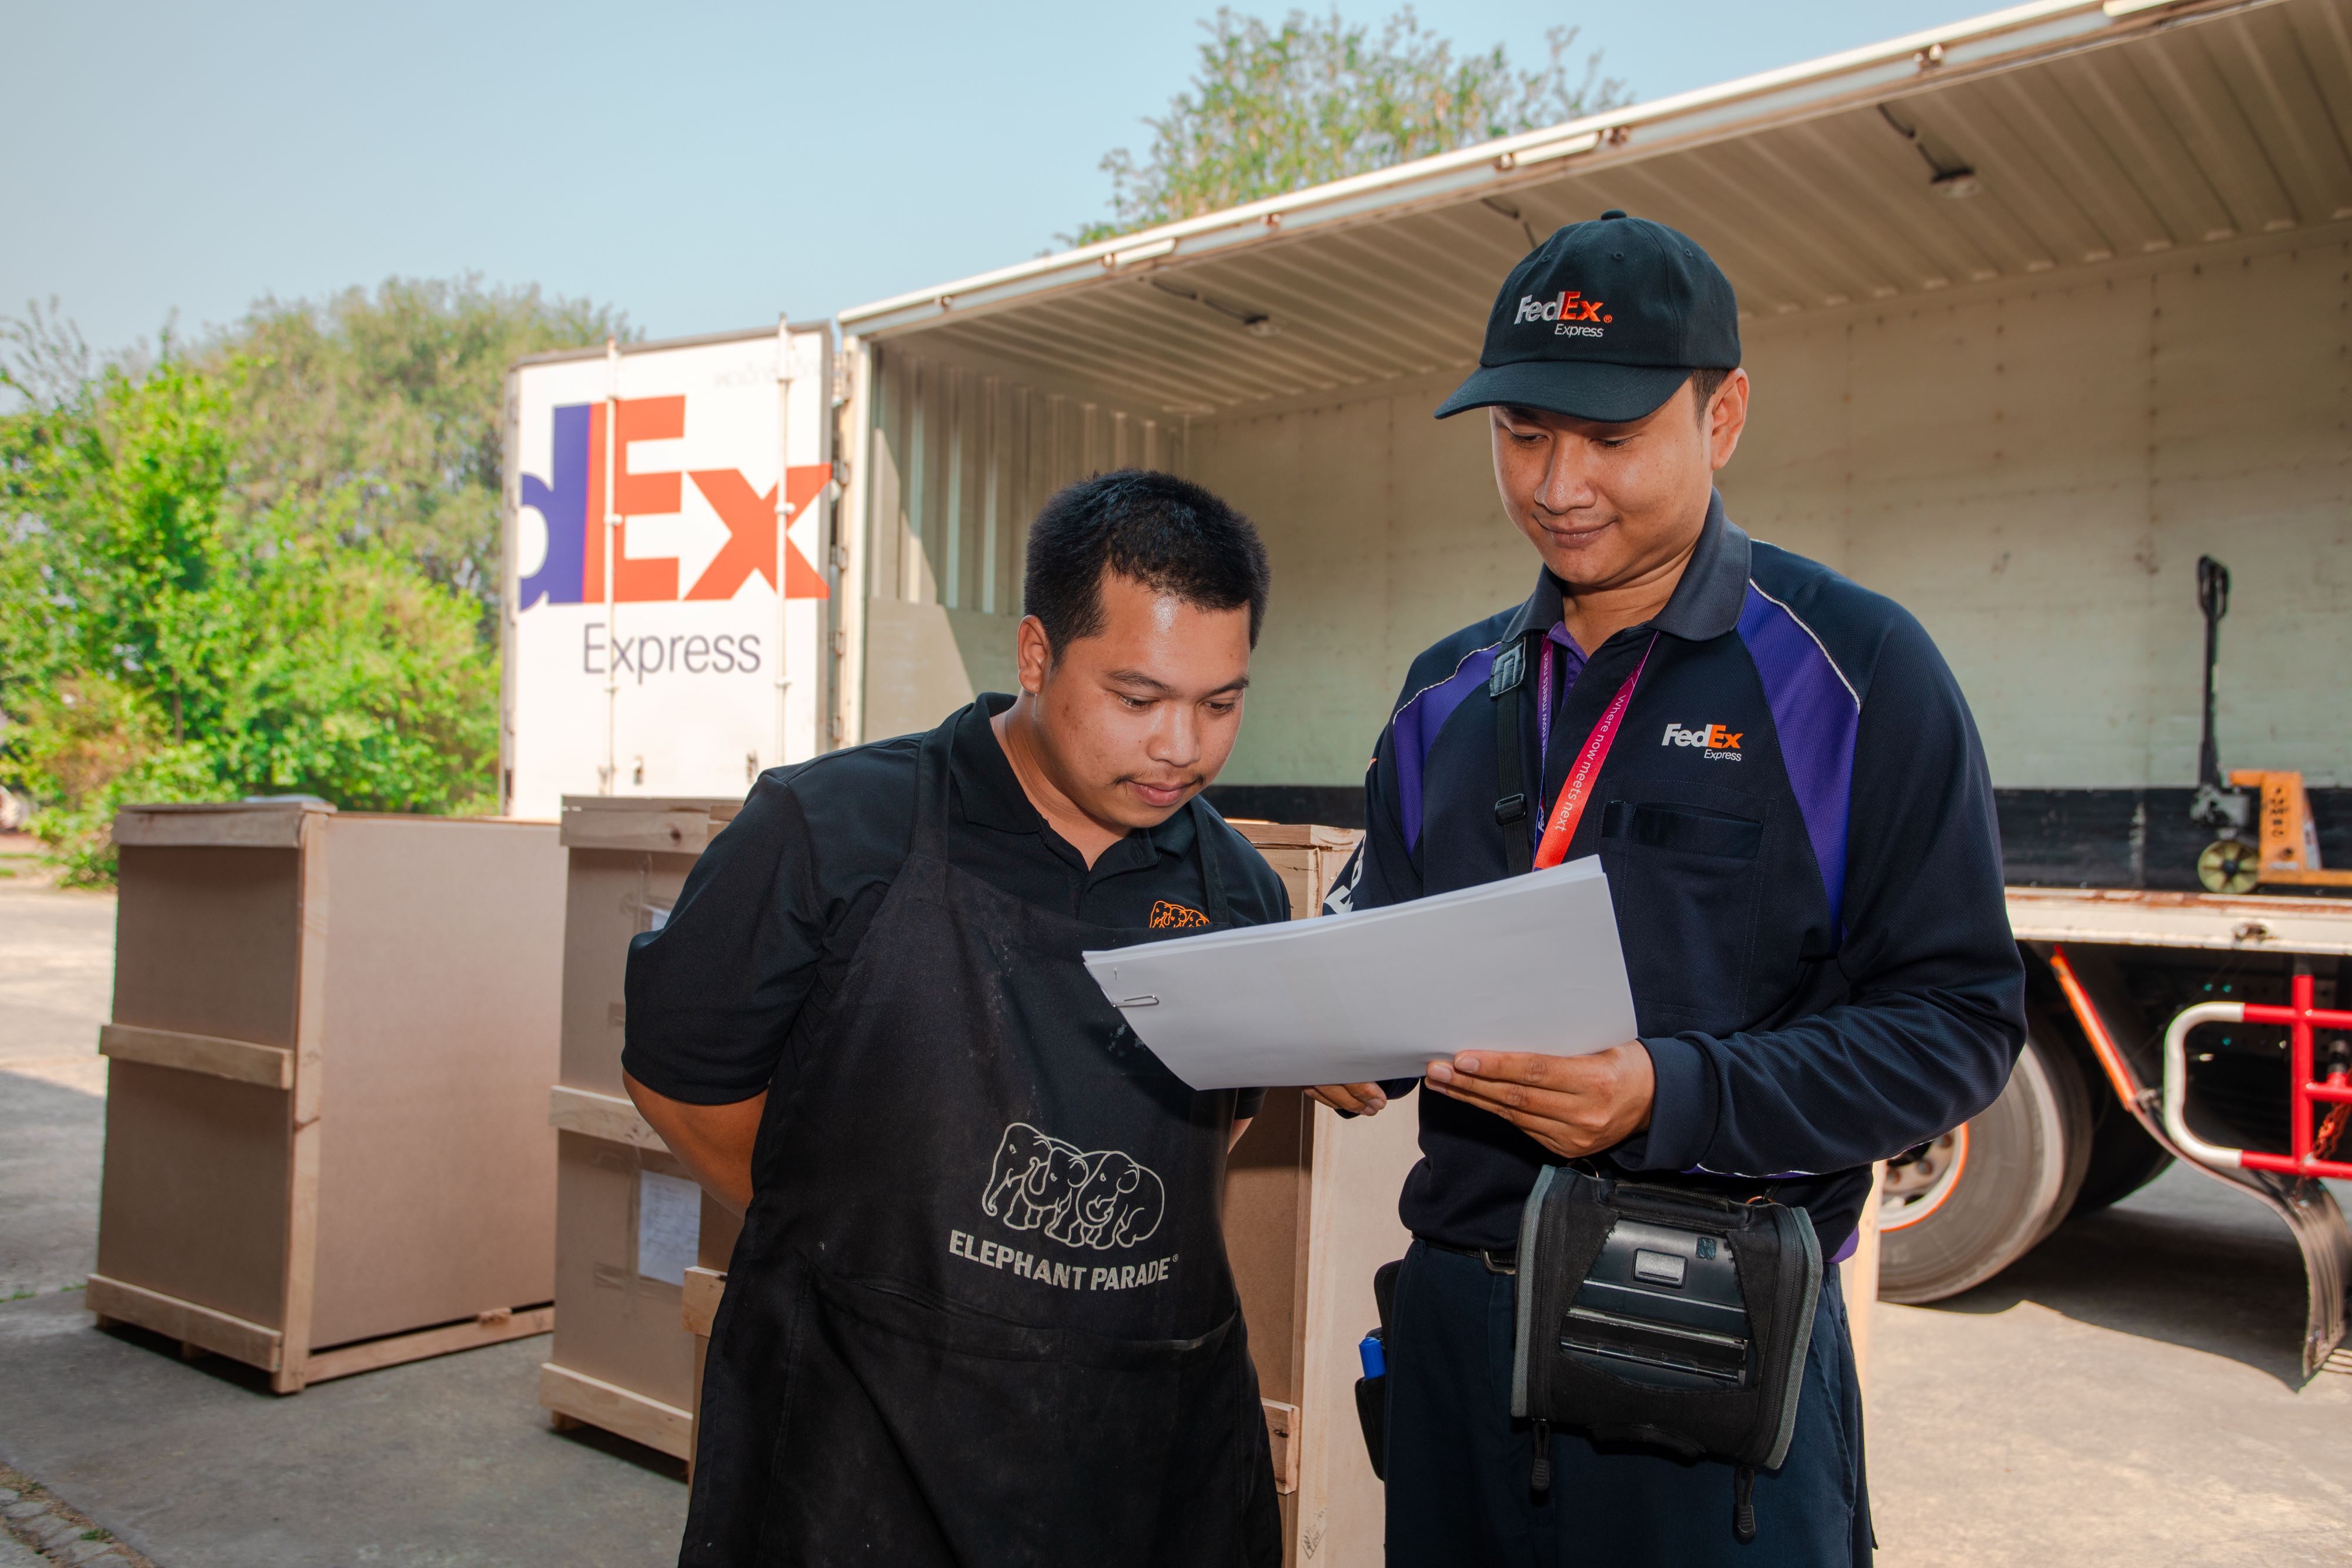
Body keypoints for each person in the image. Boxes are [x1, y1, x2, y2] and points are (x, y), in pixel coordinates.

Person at [1310, 213, 2026, 1564]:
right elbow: (1381, 933)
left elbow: (1958, 1023)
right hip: (1461, 1343)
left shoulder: (1856, 672)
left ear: (1724, 415)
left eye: (1611, 436)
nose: (1559, 482)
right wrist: (1336, 1032)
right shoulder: (1444, 693)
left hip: (1708, 1338)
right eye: (1521, 433)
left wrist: (1669, 1094)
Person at [623, 470, 1288, 1568]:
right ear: (1035, 656)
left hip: (1142, 1449)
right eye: (1138, 698)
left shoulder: (1239, 895)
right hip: (859, 1441)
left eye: (1220, 704)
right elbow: (683, 1084)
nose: (1184, 747)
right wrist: (875, 1255)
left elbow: (1223, 1141)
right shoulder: (832, 830)